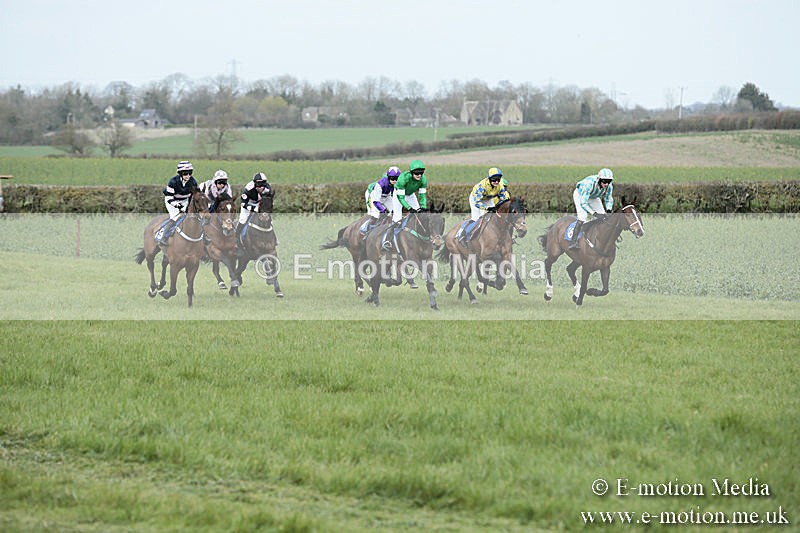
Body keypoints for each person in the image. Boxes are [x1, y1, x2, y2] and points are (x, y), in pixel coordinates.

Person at [382, 160, 428, 250]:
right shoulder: (403, 179)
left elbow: (422, 195)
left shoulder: (423, 179)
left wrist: (423, 207)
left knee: (421, 215)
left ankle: (423, 237)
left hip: (410, 195)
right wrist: (408, 208)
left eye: (421, 173)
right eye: (417, 173)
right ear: (411, 172)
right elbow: (401, 198)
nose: (419, 175)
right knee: (397, 218)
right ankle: (387, 240)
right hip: (399, 195)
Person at [456, 167, 510, 244]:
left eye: (498, 179)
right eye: (494, 179)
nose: (496, 181)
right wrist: (487, 208)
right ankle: (463, 235)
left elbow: (504, 199)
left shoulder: (500, 186)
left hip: (488, 199)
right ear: (489, 178)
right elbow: (477, 202)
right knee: (477, 218)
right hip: (476, 199)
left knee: (494, 217)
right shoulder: (481, 186)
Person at [569, 167, 614, 249]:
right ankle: (573, 242)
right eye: (604, 181)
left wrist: (609, 210)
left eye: (609, 181)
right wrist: (594, 213)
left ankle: (599, 238)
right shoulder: (589, 184)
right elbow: (583, 203)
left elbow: (609, 199)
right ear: (599, 179)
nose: (607, 184)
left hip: (594, 197)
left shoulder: (609, 186)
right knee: (583, 217)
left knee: (604, 217)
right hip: (580, 196)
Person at [156, 160, 198, 244]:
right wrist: (178, 206)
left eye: (190, 173)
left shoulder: (193, 182)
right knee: (175, 218)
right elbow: (169, 198)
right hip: (172, 201)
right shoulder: (173, 182)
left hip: (185, 201)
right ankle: (164, 237)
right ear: (180, 173)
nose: (188, 176)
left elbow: (195, 195)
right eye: (185, 173)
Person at [359, 166, 400, 236]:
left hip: (386, 196)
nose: (394, 181)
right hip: (372, 196)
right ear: (388, 177)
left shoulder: (397, 184)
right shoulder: (380, 184)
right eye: (392, 178)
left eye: (396, 178)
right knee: (376, 214)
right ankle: (365, 227)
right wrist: (382, 210)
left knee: (395, 210)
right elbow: (376, 201)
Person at [236, 172, 273, 241]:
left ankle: (273, 238)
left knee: (269, 220)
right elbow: (243, 204)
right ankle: (237, 237)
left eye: (263, 184)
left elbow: (268, 202)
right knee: (242, 219)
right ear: (255, 184)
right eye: (259, 185)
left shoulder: (268, 189)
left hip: (260, 203)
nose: (261, 187)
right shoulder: (248, 189)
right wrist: (255, 209)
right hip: (248, 203)